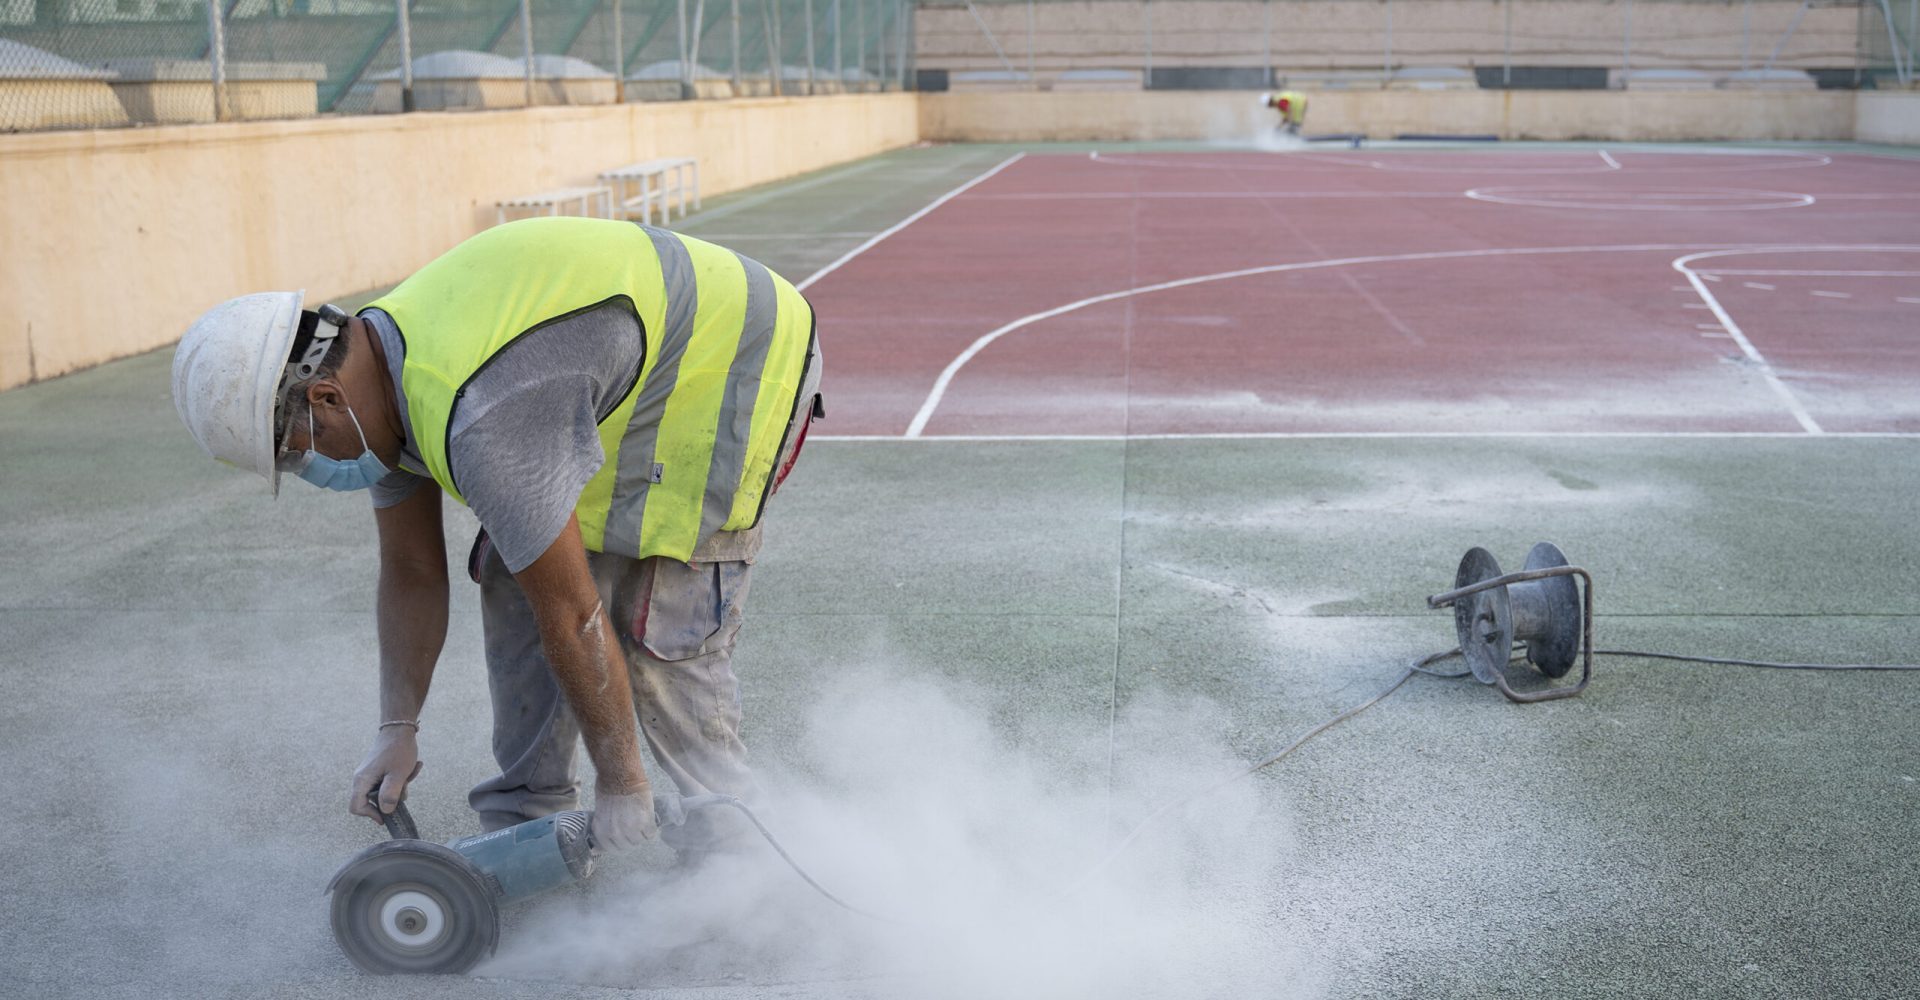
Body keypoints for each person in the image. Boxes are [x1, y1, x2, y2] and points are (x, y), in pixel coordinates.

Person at [170, 217, 823, 861]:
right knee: (523, 577)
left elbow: (573, 616)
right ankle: (529, 832)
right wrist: (396, 730)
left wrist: (622, 780)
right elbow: (412, 571)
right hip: (591, 367)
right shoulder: (388, 375)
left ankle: (738, 867)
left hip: (729, 352)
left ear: (327, 397)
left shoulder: (483, 420)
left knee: (659, 622)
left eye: (294, 452)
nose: (308, 469)